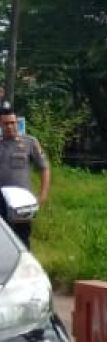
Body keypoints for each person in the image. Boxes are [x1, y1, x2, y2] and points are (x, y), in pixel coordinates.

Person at [0, 102, 50, 247]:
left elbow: (44, 167)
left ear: (17, 122)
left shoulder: (30, 143)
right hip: (1, 201)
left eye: (12, 123)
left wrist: (43, 195)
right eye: (6, 123)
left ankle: (24, 268)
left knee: (22, 239)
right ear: (1, 125)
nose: (10, 126)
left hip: (22, 202)